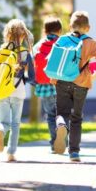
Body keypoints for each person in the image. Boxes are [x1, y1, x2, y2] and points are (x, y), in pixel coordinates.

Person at [53, 11, 96, 162]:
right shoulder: (92, 43)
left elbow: (52, 61)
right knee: (76, 118)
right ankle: (74, 153)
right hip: (82, 84)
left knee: (61, 113)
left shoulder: (62, 40)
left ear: (70, 26)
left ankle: (61, 125)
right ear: (88, 28)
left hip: (62, 82)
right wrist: (93, 76)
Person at [0, 19, 34, 162]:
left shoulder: (1, 52)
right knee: (15, 123)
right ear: (23, 35)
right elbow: (31, 75)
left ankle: (0, 130)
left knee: (4, 121)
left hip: (1, 91)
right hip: (18, 90)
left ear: (7, 35)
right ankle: (11, 153)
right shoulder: (25, 53)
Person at [32, 17, 63, 152]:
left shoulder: (39, 45)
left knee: (50, 115)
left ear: (44, 30)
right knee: (62, 113)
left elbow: (31, 62)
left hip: (45, 85)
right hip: (61, 83)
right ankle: (63, 138)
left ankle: (54, 143)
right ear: (60, 30)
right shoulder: (63, 42)